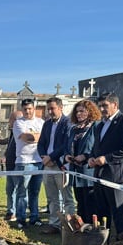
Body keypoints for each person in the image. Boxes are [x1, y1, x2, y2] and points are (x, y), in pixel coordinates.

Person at [88, 92, 123, 240]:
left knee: (118, 212)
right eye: (100, 106)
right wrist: (91, 158)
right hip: (99, 174)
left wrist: (107, 159)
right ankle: (104, 241)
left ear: (115, 105)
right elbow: (96, 147)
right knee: (102, 211)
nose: (102, 109)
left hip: (116, 175)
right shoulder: (100, 125)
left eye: (105, 106)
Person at [37, 97, 75, 233]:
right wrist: (44, 157)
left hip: (60, 165)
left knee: (67, 197)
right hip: (47, 165)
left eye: (52, 108)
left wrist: (51, 157)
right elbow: (41, 143)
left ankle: (70, 225)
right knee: (52, 197)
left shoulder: (68, 123)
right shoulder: (46, 124)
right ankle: (55, 224)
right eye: (48, 109)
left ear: (60, 108)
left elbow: (66, 144)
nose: (50, 111)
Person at [64, 100, 101, 224]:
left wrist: (86, 156)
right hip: (75, 172)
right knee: (80, 202)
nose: (79, 114)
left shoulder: (95, 126)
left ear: (90, 112)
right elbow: (67, 146)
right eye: (77, 111)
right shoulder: (74, 129)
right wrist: (67, 156)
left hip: (89, 172)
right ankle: (82, 229)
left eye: (82, 111)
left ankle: (92, 229)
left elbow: (98, 146)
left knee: (90, 202)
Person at [12, 99, 45, 229]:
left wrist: (37, 137)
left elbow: (43, 138)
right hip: (24, 161)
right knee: (22, 192)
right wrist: (38, 136)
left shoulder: (41, 122)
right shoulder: (18, 123)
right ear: (22, 109)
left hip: (38, 161)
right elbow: (27, 138)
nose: (27, 111)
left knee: (35, 192)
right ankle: (21, 218)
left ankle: (34, 217)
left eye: (30, 109)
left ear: (34, 108)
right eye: (25, 109)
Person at [1, 109, 22, 221]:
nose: (9, 121)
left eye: (11, 119)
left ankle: (16, 212)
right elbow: (9, 146)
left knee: (17, 190)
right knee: (9, 190)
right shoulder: (12, 133)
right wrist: (5, 156)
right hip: (9, 165)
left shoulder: (20, 133)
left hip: (16, 164)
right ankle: (10, 211)